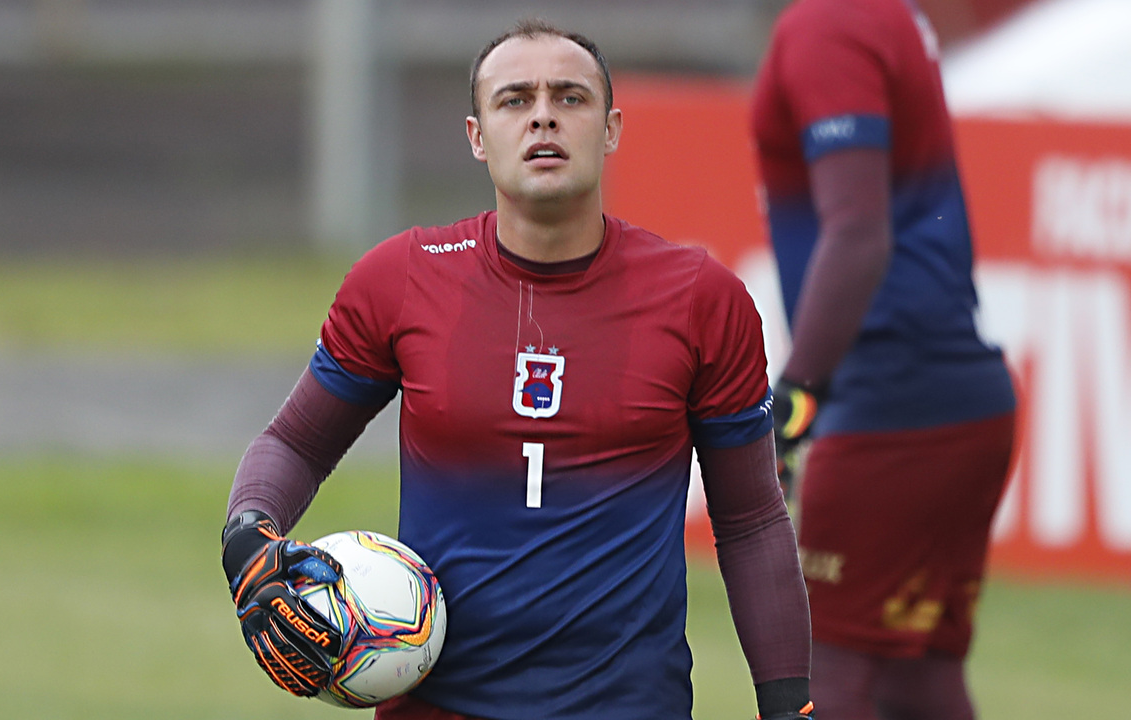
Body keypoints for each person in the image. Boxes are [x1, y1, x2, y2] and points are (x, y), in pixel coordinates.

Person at [221, 18, 814, 720]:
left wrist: (790, 707)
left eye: (570, 97)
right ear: (477, 136)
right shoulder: (400, 279)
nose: (543, 116)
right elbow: (296, 443)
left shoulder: (701, 299)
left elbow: (750, 520)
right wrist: (248, 539)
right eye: (515, 100)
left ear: (612, 129)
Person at [749, 1, 1019, 718]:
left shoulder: (828, 21)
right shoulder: (884, 14)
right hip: (960, 398)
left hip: (890, 400)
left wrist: (791, 409)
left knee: (822, 672)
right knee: (916, 680)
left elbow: (859, 233)